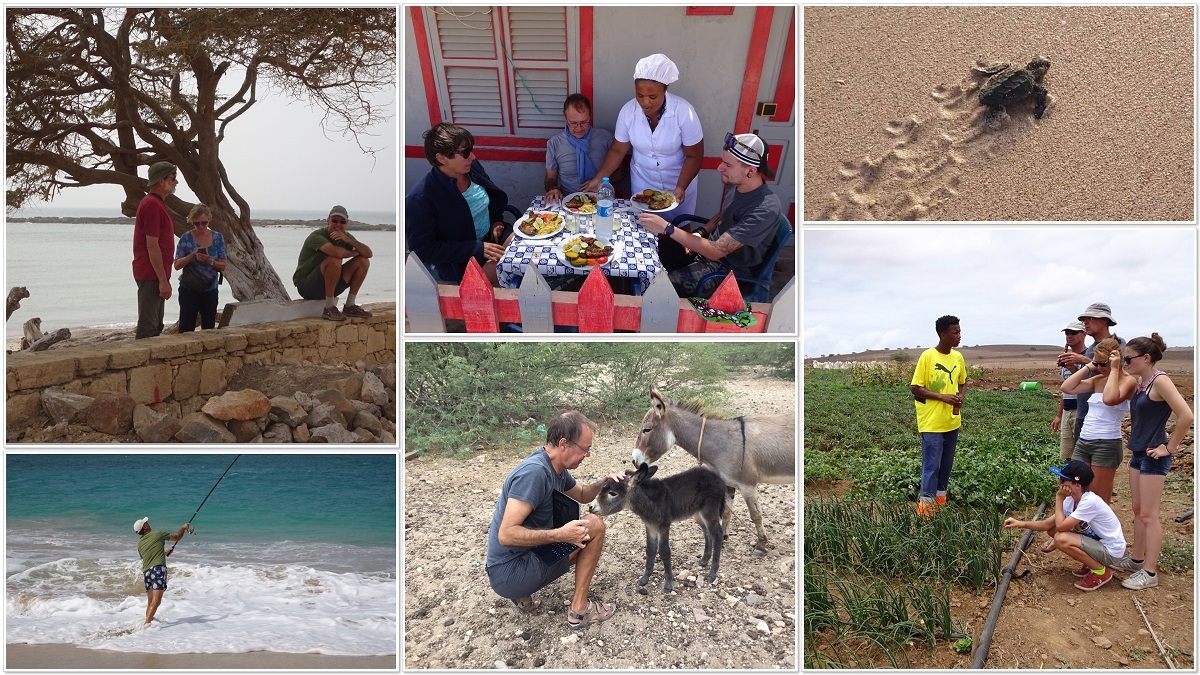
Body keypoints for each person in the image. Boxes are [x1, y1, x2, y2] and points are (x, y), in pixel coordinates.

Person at [486, 411, 625, 629]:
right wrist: (561, 535)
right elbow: (506, 534)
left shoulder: (554, 467)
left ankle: (522, 595)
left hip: (510, 569)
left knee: (578, 528)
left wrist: (604, 483)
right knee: (595, 526)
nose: (587, 455)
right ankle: (579, 611)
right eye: (585, 449)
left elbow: (582, 494)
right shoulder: (534, 474)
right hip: (509, 573)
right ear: (563, 444)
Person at [637, 132, 780, 297]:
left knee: (659, 291)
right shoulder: (738, 185)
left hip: (726, 272)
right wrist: (701, 232)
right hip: (706, 251)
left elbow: (716, 251)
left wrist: (667, 228)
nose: (720, 168)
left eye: (728, 165)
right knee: (648, 253)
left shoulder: (764, 208)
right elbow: (725, 215)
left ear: (750, 171)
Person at [1105, 333, 1195, 590]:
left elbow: (1186, 415)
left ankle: (1150, 572)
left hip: (1154, 456)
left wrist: (1169, 447)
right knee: (1138, 509)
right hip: (1139, 453)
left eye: (1129, 359)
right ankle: (1137, 560)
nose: (1126, 363)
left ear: (1145, 358)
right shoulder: (1142, 382)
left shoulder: (1160, 380)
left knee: (1149, 515)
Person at [581, 53, 703, 220]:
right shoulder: (628, 111)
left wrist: (681, 186)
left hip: (678, 181)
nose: (645, 102)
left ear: (665, 89)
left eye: (653, 97)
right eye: (639, 95)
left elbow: (694, 155)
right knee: (645, 224)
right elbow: (618, 150)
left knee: (679, 225)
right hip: (643, 181)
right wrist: (599, 179)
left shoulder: (683, 111)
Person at [1003, 461, 1138, 592]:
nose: (1059, 482)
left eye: (1063, 480)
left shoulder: (1089, 502)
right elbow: (1047, 524)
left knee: (1061, 538)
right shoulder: (1070, 500)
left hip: (1111, 551)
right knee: (1052, 531)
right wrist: (1019, 523)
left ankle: (1100, 572)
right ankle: (1091, 563)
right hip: (1099, 545)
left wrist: (1059, 498)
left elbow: (1061, 527)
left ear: (1077, 485)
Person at [405, 123, 513, 284]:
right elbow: (423, 249)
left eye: (471, 149)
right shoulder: (421, 198)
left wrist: (496, 220)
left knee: (533, 249)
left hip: (491, 237)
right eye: (465, 152)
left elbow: (490, 196)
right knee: (516, 267)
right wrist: (477, 248)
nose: (473, 156)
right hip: (459, 259)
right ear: (442, 158)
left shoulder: (471, 168)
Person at [909, 315, 966, 517]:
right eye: (955, 332)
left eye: (960, 331)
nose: (959, 336)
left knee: (946, 466)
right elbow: (915, 388)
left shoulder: (958, 358)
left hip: (952, 421)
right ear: (942, 334)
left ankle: (940, 505)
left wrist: (961, 396)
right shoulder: (928, 357)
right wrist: (942, 397)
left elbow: (963, 381)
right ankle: (925, 512)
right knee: (931, 466)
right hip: (931, 422)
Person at [1060, 337, 1128, 505]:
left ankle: (1097, 523)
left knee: (1097, 498)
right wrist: (1090, 366)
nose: (1099, 368)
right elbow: (1067, 387)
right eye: (1097, 363)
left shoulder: (1128, 382)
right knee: (1074, 488)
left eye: (1103, 364)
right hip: (1084, 441)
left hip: (1106, 444)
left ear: (1116, 360)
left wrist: (1114, 370)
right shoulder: (1098, 380)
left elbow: (1110, 399)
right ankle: (1077, 520)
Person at [293, 205, 373, 322]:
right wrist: (354, 253)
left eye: (342, 222)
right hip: (307, 286)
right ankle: (329, 307)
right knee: (334, 260)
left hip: (330, 284)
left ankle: (350, 305)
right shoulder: (316, 236)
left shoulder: (345, 237)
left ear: (346, 224)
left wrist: (348, 240)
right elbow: (336, 253)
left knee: (363, 261)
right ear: (328, 221)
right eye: (334, 220)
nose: (338, 224)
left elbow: (368, 253)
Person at [1058, 302, 1124, 442]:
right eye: (1084, 319)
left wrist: (1085, 360)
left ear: (1104, 320)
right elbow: (1089, 379)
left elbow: (1117, 374)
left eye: (1090, 318)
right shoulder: (1090, 349)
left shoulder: (1117, 344)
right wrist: (1073, 368)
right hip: (1083, 412)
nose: (1085, 322)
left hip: (1102, 415)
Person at [544, 94, 619, 202]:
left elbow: (621, 172)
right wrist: (553, 189)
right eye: (573, 123)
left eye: (583, 122)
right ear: (565, 118)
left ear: (590, 116)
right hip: (569, 201)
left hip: (602, 200)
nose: (579, 128)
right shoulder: (555, 143)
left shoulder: (605, 138)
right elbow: (550, 178)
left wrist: (602, 182)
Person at [133, 161, 179, 339]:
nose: (176, 182)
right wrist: (162, 280)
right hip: (151, 274)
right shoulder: (152, 204)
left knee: (156, 325)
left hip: (156, 274)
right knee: (148, 327)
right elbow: (152, 245)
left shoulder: (157, 204)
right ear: (161, 181)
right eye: (173, 178)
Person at [173, 204, 227, 332]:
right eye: (196, 224)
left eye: (204, 223)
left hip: (210, 289)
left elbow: (223, 265)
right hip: (189, 288)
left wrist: (210, 261)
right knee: (186, 327)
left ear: (209, 220)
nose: (201, 226)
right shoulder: (186, 238)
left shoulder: (217, 238)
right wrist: (192, 255)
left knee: (209, 327)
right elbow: (177, 265)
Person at [134, 516, 190, 624]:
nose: (148, 523)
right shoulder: (157, 534)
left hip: (147, 572)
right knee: (156, 601)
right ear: (144, 527)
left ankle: (148, 623)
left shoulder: (139, 543)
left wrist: (164, 553)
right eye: (146, 523)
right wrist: (183, 528)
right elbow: (177, 537)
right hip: (158, 569)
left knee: (150, 601)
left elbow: (148, 556)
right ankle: (146, 624)